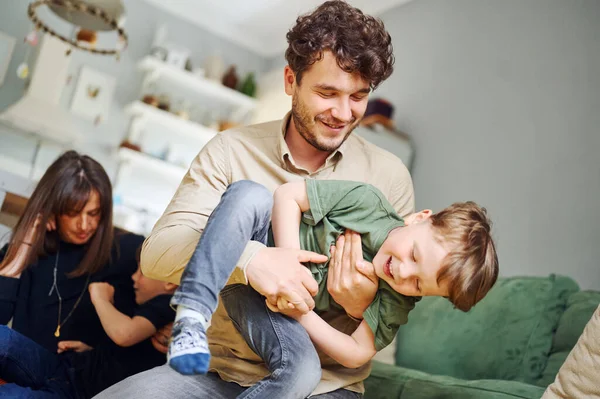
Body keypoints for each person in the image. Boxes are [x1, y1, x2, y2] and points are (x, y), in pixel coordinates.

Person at [96, 1, 414, 398]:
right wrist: (250, 260)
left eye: (358, 96)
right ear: (290, 80)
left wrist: (359, 304)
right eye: (327, 92)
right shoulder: (231, 150)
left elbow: (393, 306)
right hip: (216, 370)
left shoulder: (388, 176)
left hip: (325, 385)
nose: (343, 112)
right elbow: (157, 254)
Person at [167, 180, 498, 398]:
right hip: (245, 255)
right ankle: (191, 317)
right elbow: (287, 196)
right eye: (413, 254)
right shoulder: (367, 203)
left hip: (268, 309)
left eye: (417, 285)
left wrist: (303, 312)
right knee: (249, 194)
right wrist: (288, 262)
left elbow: (356, 353)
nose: (402, 273)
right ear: (420, 218)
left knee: (304, 372)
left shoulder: (397, 302)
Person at [0, 150, 157, 397]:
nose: (85, 225)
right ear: (51, 209)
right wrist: (23, 245)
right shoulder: (27, 252)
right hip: (29, 366)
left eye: (93, 213)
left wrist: (98, 353)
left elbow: (165, 298)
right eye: (73, 213)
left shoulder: (128, 250)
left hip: (82, 381)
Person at [0, 255, 176, 398]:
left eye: (142, 272)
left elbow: (125, 335)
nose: (134, 277)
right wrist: (92, 349)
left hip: (75, 393)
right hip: (65, 366)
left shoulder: (170, 305)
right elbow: (131, 357)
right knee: (4, 339)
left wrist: (100, 297)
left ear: (169, 283)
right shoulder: (150, 311)